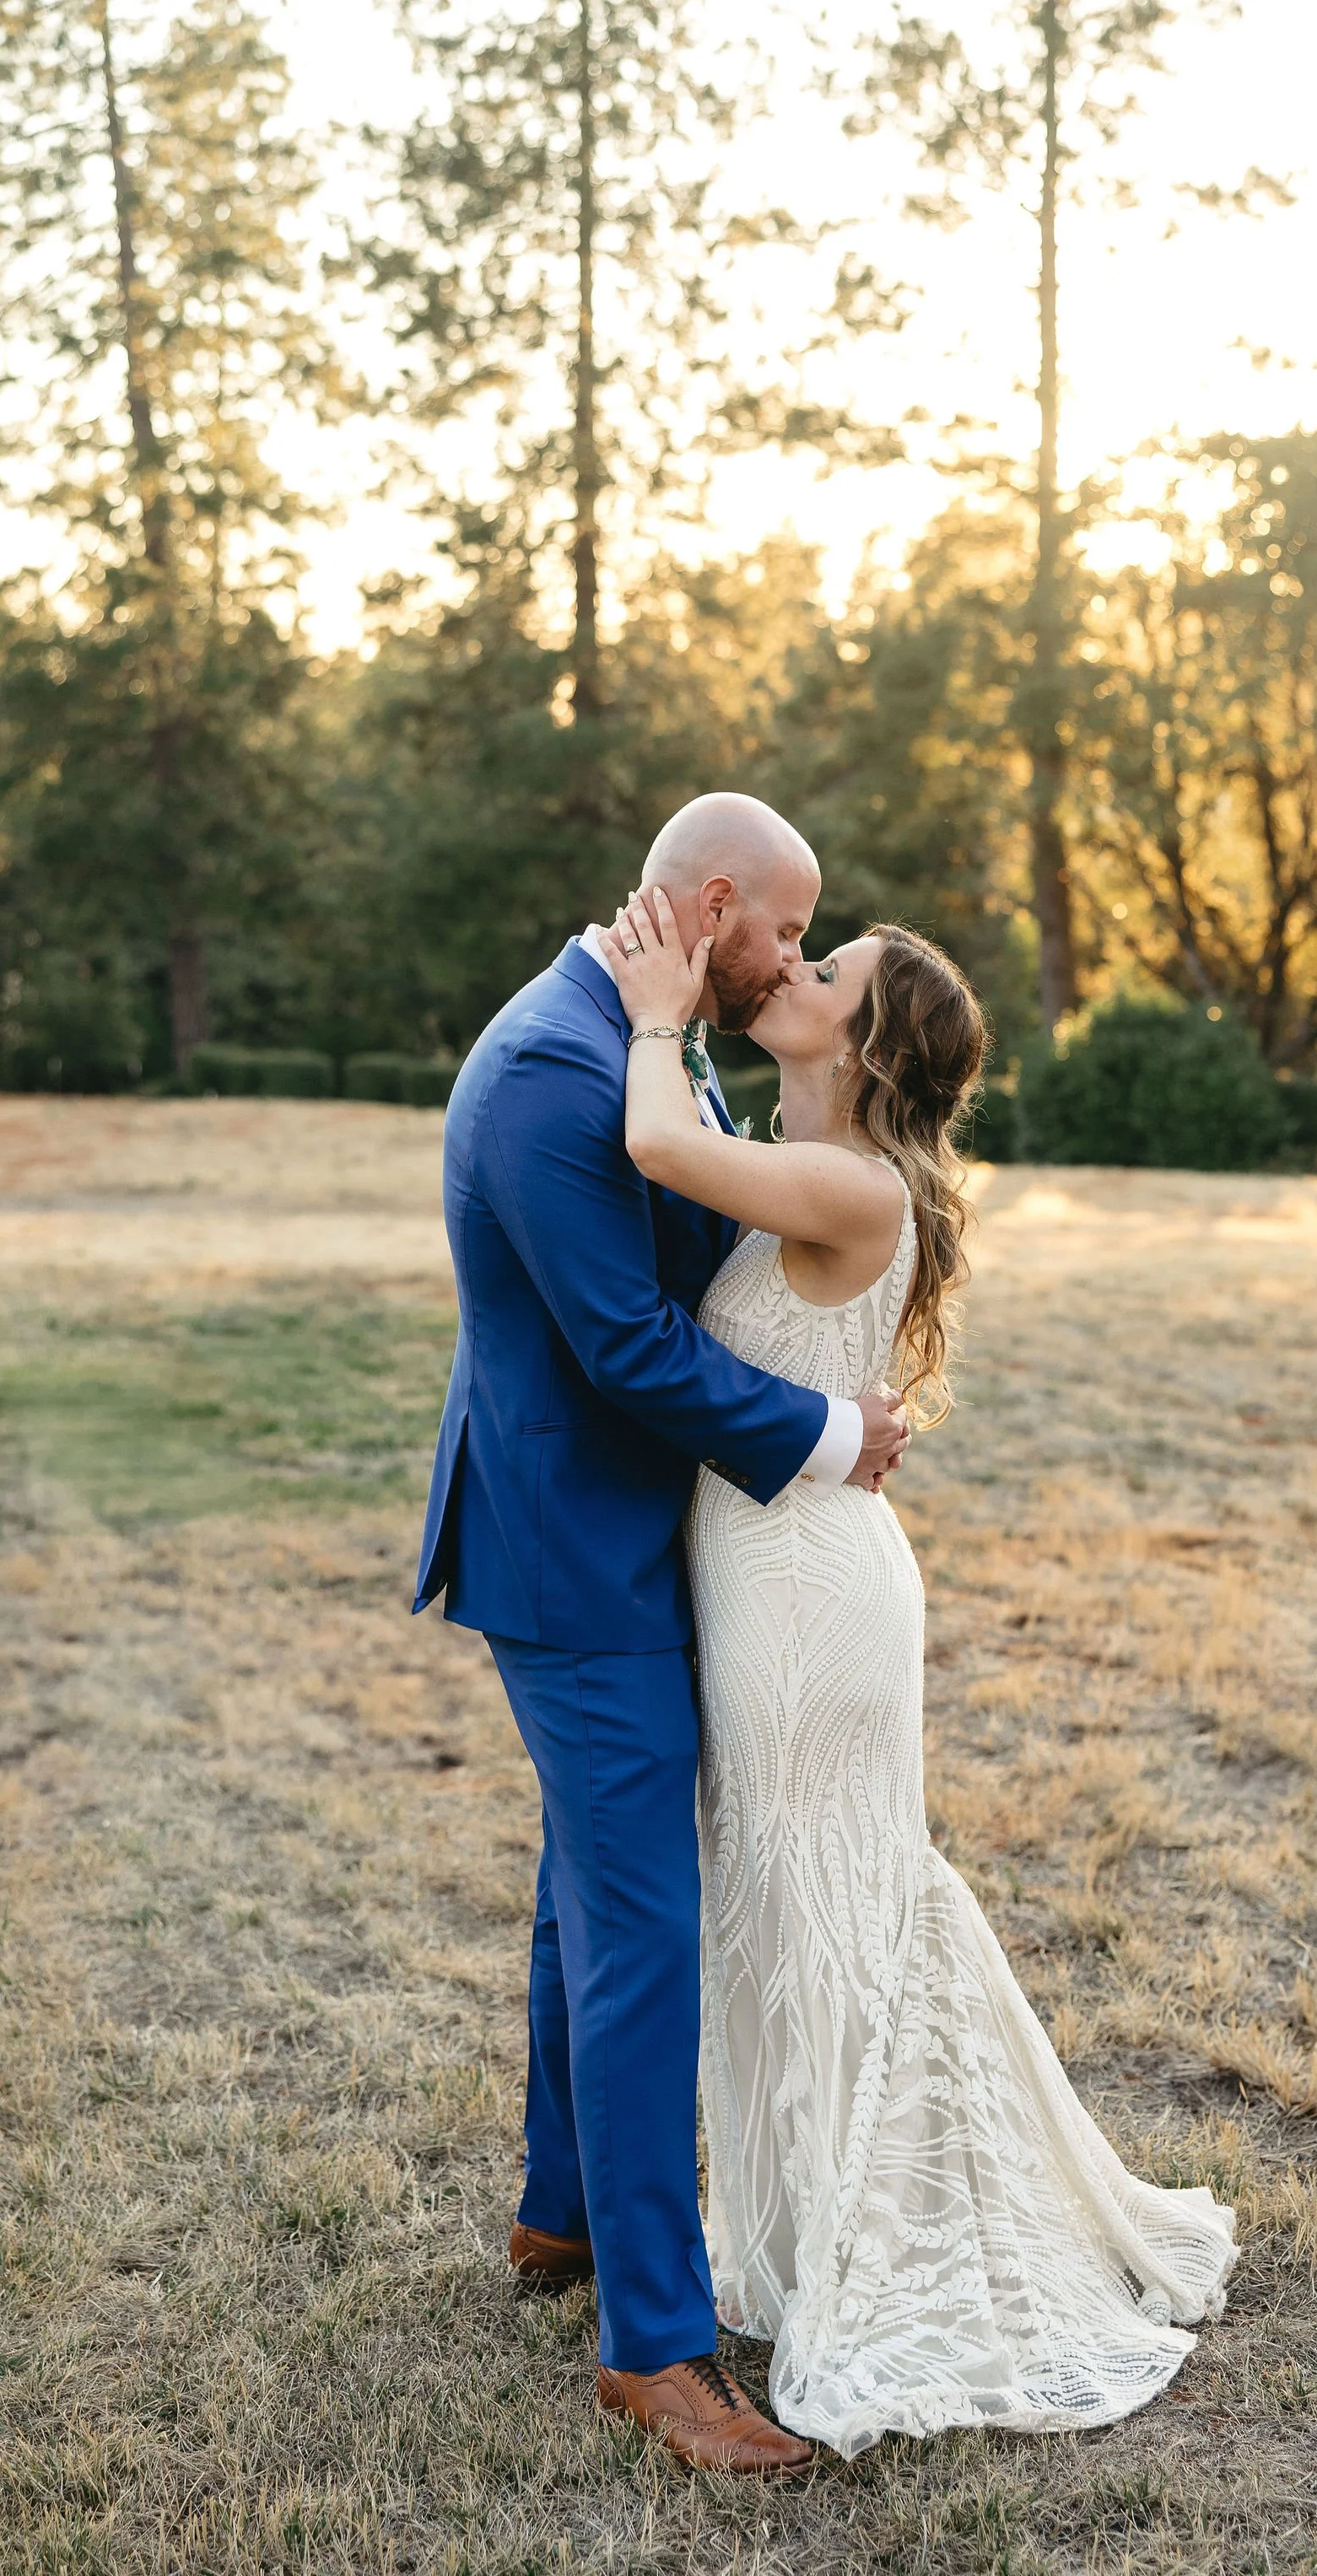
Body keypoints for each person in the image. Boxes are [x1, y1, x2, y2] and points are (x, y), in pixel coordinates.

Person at [599, 887, 1240, 2462]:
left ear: (866, 1043)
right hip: (785, 1574)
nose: (798, 970)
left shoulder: (851, 1183)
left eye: (829, 971)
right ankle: (818, 2230)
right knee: (799, 1902)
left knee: (829, 1905)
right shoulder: (816, 1166)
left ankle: (874, 2249)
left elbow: (661, 1149)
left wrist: (656, 1015)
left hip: (810, 1604)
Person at [414, 793, 909, 2476]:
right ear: (715, 906)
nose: (792, 956)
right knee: (642, 1935)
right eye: (786, 928)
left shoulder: (635, 1024)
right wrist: (833, 1440)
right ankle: (656, 2349)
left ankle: (560, 2218)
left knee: (590, 1899)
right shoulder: (564, 1069)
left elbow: (701, 1248)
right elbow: (628, 1347)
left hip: (622, 1541)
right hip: (580, 1561)